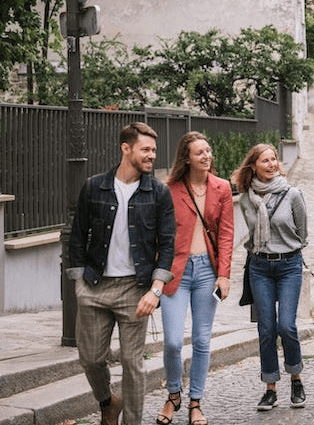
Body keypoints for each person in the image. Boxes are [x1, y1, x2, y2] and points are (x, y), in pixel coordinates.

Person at [67, 122, 175, 425]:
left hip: (135, 288)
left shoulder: (158, 193)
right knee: (89, 358)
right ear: (125, 148)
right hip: (94, 285)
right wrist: (79, 283)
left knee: (132, 362)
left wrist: (155, 290)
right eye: (146, 149)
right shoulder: (94, 186)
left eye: (153, 150)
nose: (152, 155)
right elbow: (77, 237)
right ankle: (107, 402)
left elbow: (167, 245)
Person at [155, 132, 234, 425]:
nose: (207, 156)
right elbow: (159, 236)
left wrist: (223, 275)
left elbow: (226, 235)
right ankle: (173, 394)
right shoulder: (169, 189)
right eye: (200, 152)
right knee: (173, 342)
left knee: (202, 340)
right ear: (186, 158)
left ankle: (195, 402)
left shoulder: (222, 188)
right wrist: (157, 277)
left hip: (207, 272)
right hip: (176, 271)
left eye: (208, 150)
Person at [232, 143, 308, 411]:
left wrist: (286, 249)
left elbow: (303, 233)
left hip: (289, 266)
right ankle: (270, 388)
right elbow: (251, 237)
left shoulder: (292, 194)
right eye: (265, 160)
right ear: (253, 165)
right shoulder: (245, 199)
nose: (271, 164)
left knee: (286, 326)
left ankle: (296, 378)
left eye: (274, 159)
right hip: (260, 267)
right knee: (266, 329)